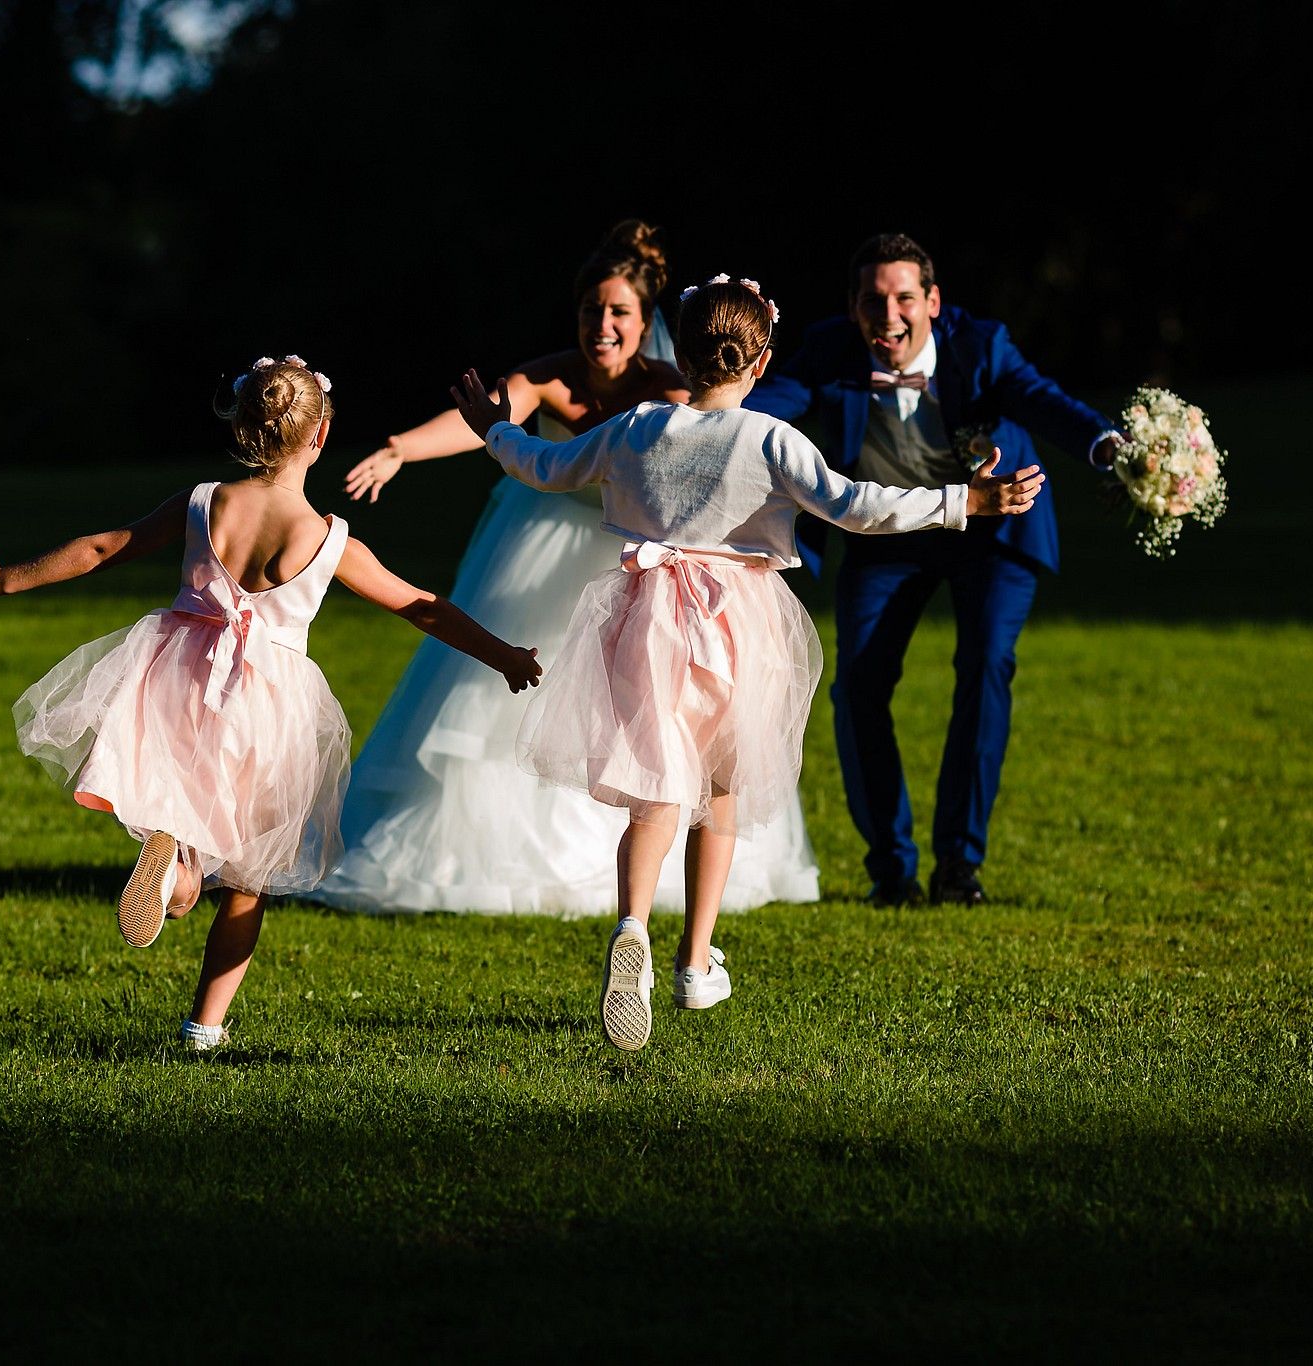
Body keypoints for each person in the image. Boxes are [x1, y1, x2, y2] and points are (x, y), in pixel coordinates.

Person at [451, 275, 1044, 1050]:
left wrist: (495, 430)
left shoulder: (635, 426)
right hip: (740, 624)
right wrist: (961, 501)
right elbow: (858, 507)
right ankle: (696, 961)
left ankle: (632, 923)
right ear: (760, 363)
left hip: (649, 615)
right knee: (720, 790)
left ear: (679, 354)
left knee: (654, 788)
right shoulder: (771, 439)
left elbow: (545, 466)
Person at [0, 357, 540, 1050]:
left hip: (175, 679)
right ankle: (203, 1023)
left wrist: (2, 580)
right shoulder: (329, 540)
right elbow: (422, 606)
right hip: (266, 712)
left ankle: (176, 871)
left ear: (240, 425)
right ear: (321, 438)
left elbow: (100, 548)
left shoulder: (204, 502)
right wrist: (503, 655)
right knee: (248, 876)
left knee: (177, 807)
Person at [315, 221, 820, 914]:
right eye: (592, 311)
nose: (602, 326)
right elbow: (492, 421)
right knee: (502, 695)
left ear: (646, 324)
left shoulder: (673, 394)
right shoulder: (549, 375)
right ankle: (485, 852)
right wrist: (401, 447)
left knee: (658, 713)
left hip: (644, 566)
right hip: (541, 541)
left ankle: (644, 865)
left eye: (619, 313)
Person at [747, 233, 1120, 908]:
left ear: (933, 301)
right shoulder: (831, 349)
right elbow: (761, 405)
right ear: (853, 305)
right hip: (888, 531)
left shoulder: (982, 345)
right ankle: (891, 869)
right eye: (871, 300)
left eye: (903, 298)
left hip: (994, 526)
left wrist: (1105, 444)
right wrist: (684, 419)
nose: (888, 314)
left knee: (985, 667)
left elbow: (1039, 398)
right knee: (857, 688)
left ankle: (959, 865)